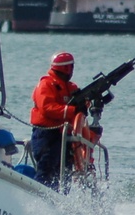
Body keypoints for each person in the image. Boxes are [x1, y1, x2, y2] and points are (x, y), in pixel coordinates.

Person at [29, 52, 98, 190]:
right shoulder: (46, 84)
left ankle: (61, 199)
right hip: (46, 134)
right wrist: (72, 110)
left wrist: (85, 105)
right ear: (67, 68)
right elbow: (47, 108)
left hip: (64, 135)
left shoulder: (71, 87)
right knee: (47, 166)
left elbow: (81, 105)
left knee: (65, 170)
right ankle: (39, 194)